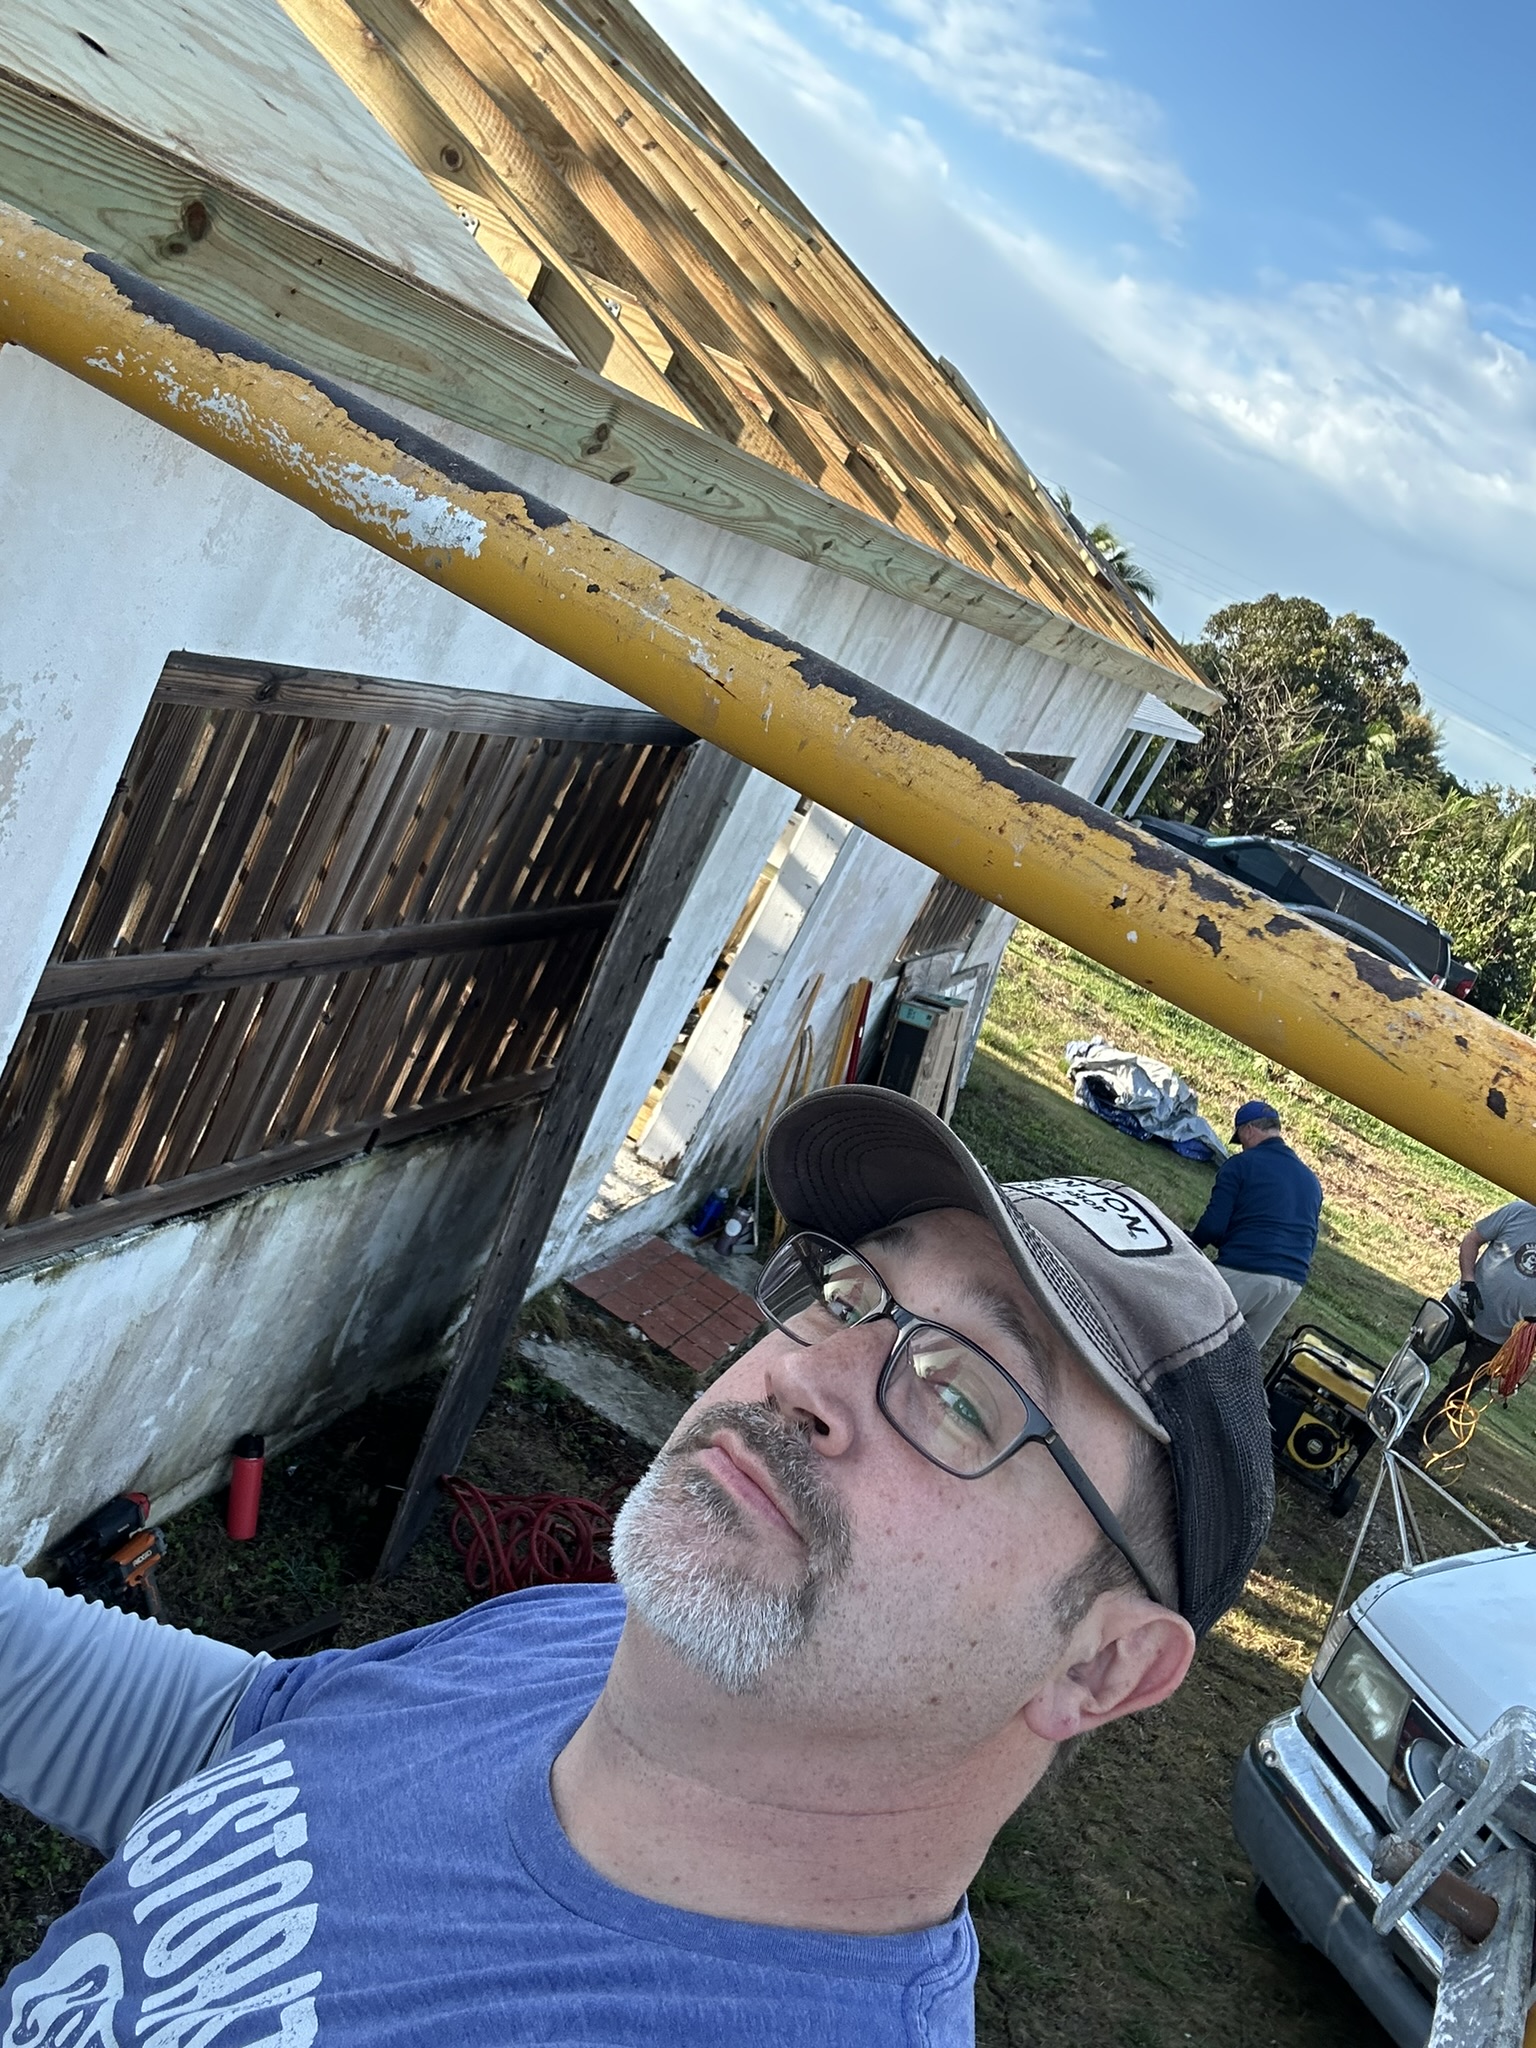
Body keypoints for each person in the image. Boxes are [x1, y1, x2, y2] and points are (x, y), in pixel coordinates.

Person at [0, 1086, 1271, 2047]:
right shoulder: (591, 1635)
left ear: (1102, 1665)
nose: (804, 1371)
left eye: (961, 1393)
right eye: (849, 1293)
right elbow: (248, 1744)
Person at [1190, 1099, 1323, 1350]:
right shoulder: (1311, 1181)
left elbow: (1213, 1225)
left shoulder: (1241, 1165)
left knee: (1190, 1336)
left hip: (1245, 1267)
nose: (1242, 1146)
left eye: (1240, 1138)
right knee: (1241, 1356)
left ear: (1249, 1130)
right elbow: (1310, 1238)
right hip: (1291, 1281)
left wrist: (1191, 1245)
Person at [1415, 1199, 1536, 1452]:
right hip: (1459, 1307)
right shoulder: (1520, 1211)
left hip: (1500, 1338)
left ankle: (1413, 1441)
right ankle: (1381, 1408)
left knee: (1458, 1394)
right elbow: (1472, 1239)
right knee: (1414, 1359)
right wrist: (1467, 1282)